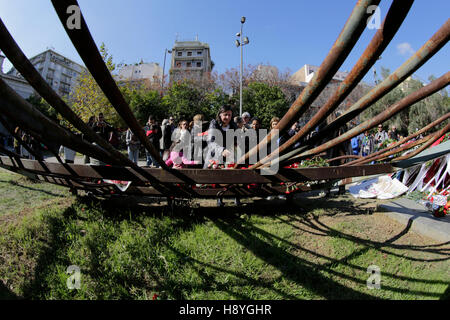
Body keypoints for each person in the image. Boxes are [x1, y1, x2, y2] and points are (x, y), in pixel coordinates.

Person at [205, 105, 240, 207]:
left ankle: (236, 196)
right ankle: (219, 198)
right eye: (225, 115)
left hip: (230, 154)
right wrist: (221, 150)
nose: (228, 117)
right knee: (219, 176)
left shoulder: (233, 125)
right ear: (220, 115)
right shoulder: (214, 124)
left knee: (234, 174)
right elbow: (211, 142)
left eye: (229, 115)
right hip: (216, 154)